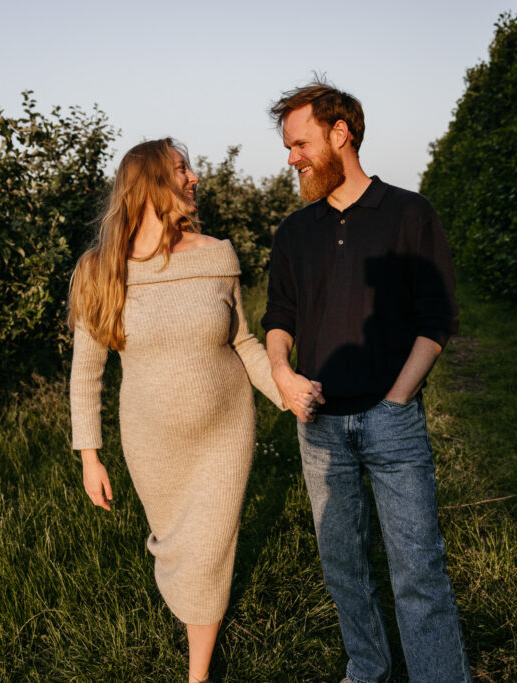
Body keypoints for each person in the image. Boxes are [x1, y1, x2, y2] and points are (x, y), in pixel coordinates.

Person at [68, 138, 318, 682]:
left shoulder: (216, 254)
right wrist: (91, 456)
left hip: (224, 433)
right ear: (151, 182)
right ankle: (187, 608)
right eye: (182, 169)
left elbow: (243, 343)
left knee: (209, 551)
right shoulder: (99, 270)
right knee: (176, 547)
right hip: (151, 441)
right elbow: (86, 374)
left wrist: (286, 388)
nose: (195, 178)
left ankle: (197, 675)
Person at [262, 81, 472, 682]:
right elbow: (280, 316)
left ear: (340, 134)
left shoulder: (409, 213)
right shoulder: (293, 233)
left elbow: (438, 319)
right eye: (288, 146)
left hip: (391, 424)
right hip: (319, 428)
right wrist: (282, 372)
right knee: (343, 569)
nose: (292, 157)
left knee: (417, 571)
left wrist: (397, 399)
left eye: (300, 143)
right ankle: (368, 670)